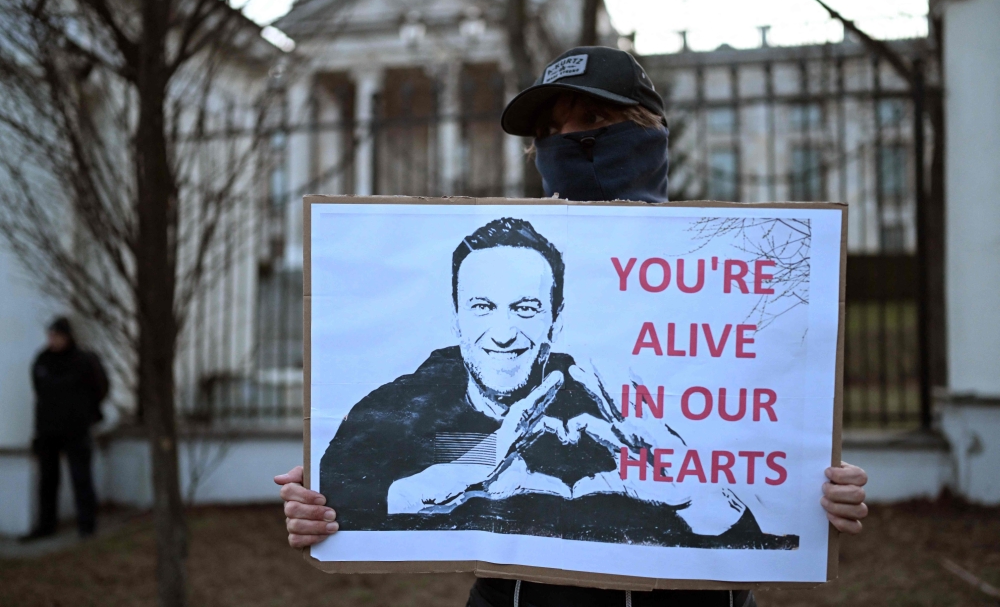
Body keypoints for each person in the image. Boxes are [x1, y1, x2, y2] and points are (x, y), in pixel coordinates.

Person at [277, 47, 869, 607]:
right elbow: (351, 490)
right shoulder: (425, 393)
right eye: (549, 132)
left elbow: (774, 474)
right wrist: (332, 503)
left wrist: (815, 495)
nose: (567, 141)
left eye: (592, 120)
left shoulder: (728, 293)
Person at [316, 216, 795, 550]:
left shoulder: (614, 415)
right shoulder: (400, 408)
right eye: (482, 307)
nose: (503, 333)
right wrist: (451, 476)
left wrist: (693, 497)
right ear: (456, 317)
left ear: (555, 319)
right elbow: (337, 505)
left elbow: (754, 554)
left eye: (525, 308)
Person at [22, 317, 108, 541]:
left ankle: (87, 526)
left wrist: (85, 414)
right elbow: (39, 390)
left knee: (81, 478)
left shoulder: (83, 360)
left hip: (76, 429)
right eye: (50, 336)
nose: (53, 340)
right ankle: (46, 525)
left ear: (67, 337)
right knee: (47, 480)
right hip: (48, 430)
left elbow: (100, 388)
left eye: (57, 336)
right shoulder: (43, 360)